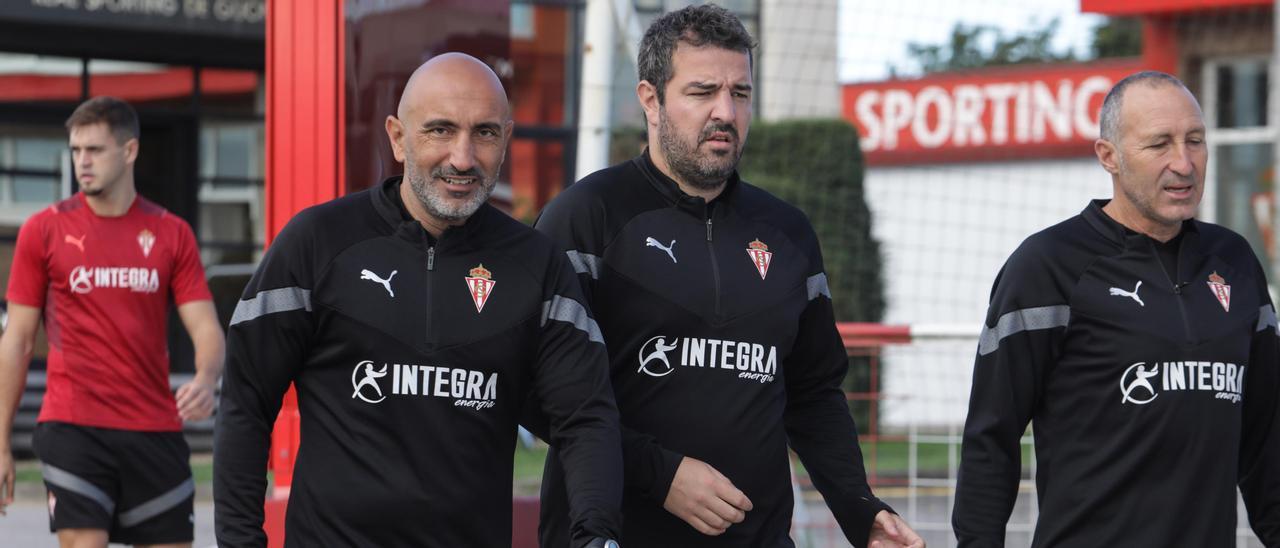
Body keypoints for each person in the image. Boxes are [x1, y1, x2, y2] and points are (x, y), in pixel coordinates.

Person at [531, 5, 924, 547]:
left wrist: (860, 510)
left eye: (740, 94)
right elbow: (541, 394)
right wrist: (659, 473)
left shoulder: (787, 233)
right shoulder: (585, 218)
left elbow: (814, 394)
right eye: (702, 91)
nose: (725, 112)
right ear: (651, 99)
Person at [212, 53, 623, 548]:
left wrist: (597, 536)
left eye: (485, 133)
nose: (463, 157)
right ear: (398, 138)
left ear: (507, 139)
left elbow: (585, 418)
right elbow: (245, 402)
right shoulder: (317, 243)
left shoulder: (539, 266)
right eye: (440, 130)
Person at [952, 71, 1280, 546]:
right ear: (1109, 156)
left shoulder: (1235, 262)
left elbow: (1267, 440)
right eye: (1159, 145)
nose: (1184, 163)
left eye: (1195, 141)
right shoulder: (1047, 266)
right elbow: (992, 439)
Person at [0, 97, 225, 548]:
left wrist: (205, 377)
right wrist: (0, 439)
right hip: (73, 424)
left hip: (154, 429)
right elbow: (18, 342)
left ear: (129, 151)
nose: (82, 162)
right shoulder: (42, 231)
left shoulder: (171, 232)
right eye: (76, 150)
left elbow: (206, 328)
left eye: (95, 150)